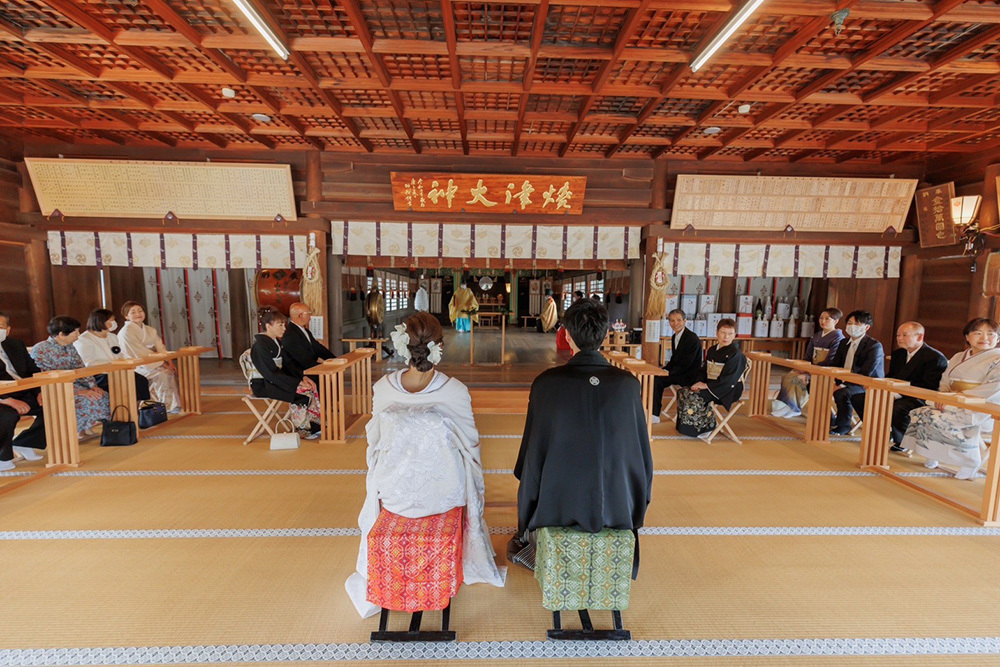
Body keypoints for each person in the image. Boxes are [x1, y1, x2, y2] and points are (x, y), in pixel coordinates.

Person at [346, 312, 505, 617]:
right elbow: (471, 448)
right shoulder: (454, 390)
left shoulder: (382, 388)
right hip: (443, 495)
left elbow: (375, 446)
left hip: (395, 496)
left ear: (401, 343)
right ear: (439, 346)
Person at [510, 298, 653, 570]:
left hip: (557, 507)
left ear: (566, 335)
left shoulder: (546, 383)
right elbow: (641, 457)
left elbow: (532, 454)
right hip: (617, 506)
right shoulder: (628, 385)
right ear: (605, 334)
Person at [902, 318, 1000, 480]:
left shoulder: (997, 358)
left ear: (998, 338)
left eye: (991, 334)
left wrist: (957, 398)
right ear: (967, 337)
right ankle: (931, 452)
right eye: (978, 333)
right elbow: (946, 380)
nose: (985, 338)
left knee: (944, 419)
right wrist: (945, 396)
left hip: (982, 405)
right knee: (922, 413)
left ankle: (970, 461)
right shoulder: (958, 356)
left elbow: (995, 386)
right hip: (952, 401)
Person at [851, 322, 947, 450]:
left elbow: (929, 386)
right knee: (859, 398)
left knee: (899, 408)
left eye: (905, 335)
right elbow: (891, 376)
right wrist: (877, 386)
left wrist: (897, 393)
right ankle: (879, 433)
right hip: (895, 392)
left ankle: (902, 441)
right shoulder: (898, 354)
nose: (899, 338)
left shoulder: (934, 357)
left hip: (918, 397)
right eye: (898, 335)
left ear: (919, 337)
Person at [30, 316, 110, 439]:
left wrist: (93, 386)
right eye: (75, 331)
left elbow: (81, 369)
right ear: (61, 334)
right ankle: (71, 433)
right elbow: (46, 377)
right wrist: (79, 392)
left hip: (74, 384)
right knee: (85, 400)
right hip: (54, 388)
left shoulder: (70, 347)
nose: (78, 334)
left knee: (102, 395)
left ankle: (85, 429)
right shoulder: (40, 349)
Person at [249, 308, 321, 438]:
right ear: (268, 326)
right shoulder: (260, 346)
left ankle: (314, 426)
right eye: (280, 325)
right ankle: (303, 430)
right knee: (302, 394)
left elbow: (289, 364)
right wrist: (296, 383)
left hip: (277, 380)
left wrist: (303, 377)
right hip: (264, 384)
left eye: (284, 324)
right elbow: (270, 373)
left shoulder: (277, 343)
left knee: (312, 388)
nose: (284, 328)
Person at [676, 318, 747, 438]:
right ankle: (689, 427)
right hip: (711, 384)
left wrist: (706, 386)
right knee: (683, 392)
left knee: (694, 396)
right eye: (723, 332)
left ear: (735, 335)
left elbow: (729, 379)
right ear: (717, 332)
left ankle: (706, 427)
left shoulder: (736, 355)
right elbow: (704, 370)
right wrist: (698, 382)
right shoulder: (712, 350)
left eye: (730, 334)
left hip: (728, 389)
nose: (726, 337)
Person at [772, 308, 845, 418]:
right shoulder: (816, 336)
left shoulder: (838, 338)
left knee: (796, 379)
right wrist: (803, 366)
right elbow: (808, 356)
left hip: (824, 372)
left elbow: (831, 360)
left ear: (836, 321)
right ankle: (788, 405)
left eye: (827, 319)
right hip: (811, 369)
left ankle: (795, 408)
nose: (823, 321)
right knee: (787, 376)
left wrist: (809, 371)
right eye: (821, 318)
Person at [0, 311, 45, 470]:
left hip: (22, 389)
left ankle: (26, 443)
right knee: (7, 414)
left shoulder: (15, 344)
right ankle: (2, 456)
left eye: (0, 327)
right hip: (2, 397)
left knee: (55, 404)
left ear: (8, 329)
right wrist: (7, 400)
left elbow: (33, 371)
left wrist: (40, 392)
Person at [74, 308, 151, 402]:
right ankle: (123, 411)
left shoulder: (112, 337)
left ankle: (138, 409)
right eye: (111, 321)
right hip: (99, 375)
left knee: (140, 380)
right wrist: (111, 366)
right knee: (122, 384)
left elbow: (119, 355)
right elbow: (88, 364)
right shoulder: (84, 340)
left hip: (117, 371)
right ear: (101, 322)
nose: (114, 323)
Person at [118, 301, 182, 413]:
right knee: (163, 373)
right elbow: (140, 352)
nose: (138, 314)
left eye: (140, 311)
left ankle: (172, 404)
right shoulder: (126, 332)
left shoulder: (150, 330)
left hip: (154, 361)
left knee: (169, 372)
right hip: (137, 365)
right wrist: (164, 363)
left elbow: (161, 347)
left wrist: (170, 362)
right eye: (133, 312)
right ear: (126, 316)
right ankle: (168, 405)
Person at [829, 310, 885, 435]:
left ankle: (844, 425)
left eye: (857, 324)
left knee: (841, 393)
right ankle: (828, 419)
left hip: (866, 384)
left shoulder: (874, 346)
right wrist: (835, 380)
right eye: (849, 323)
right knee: (816, 385)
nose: (851, 327)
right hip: (845, 381)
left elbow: (866, 372)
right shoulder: (844, 343)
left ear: (867, 327)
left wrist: (842, 385)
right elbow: (836, 365)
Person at [651, 308, 702, 424]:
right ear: (669, 322)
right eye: (672, 321)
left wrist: (669, 373)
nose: (675, 323)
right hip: (679, 372)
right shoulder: (675, 337)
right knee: (654, 377)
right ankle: (652, 410)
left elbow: (687, 363)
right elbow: (674, 360)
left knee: (657, 380)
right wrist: (664, 370)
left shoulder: (692, 338)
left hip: (689, 375)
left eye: (679, 320)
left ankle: (655, 414)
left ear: (685, 321)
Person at [280, 302, 334, 380]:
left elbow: (317, 347)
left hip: (311, 369)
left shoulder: (304, 330)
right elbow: (302, 359)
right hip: (301, 374)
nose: (310, 317)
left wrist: (334, 359)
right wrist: (322, 367)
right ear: (301, 315)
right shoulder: (290, 334)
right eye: (309, 313)